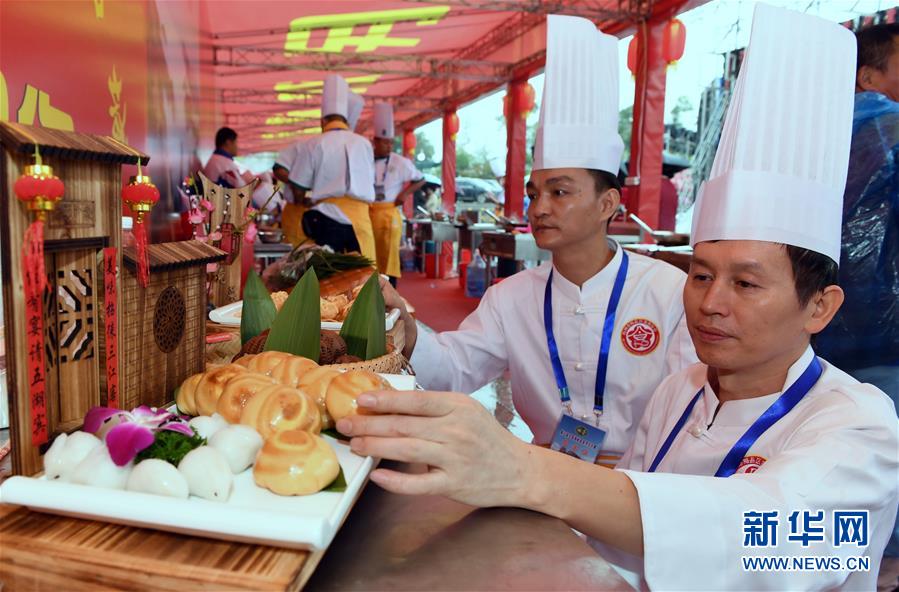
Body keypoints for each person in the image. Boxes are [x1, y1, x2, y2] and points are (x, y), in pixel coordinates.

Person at [346, 7, 899, 591]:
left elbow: (770, 546)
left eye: (747, 283)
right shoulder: (679, 393)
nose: (711, 303)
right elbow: (614, 535)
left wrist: (528, 470)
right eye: (702, 275)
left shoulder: (860, 425)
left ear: (821, 306)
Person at [380, 15, 696, 466]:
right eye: (534, 193)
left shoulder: (668, 293)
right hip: (544, 483)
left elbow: (689, 411)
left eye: (560, 192)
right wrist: (403, 323)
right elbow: (452, 371)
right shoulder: (509, 298)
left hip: (647, 489)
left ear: (609, 203)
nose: (540, 207)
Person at [816, 22, 899, 590]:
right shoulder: (884, 127)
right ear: (868, 77)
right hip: (883, 340)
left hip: (820, 329)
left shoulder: (813, 131)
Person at [289, 76, 376, 259]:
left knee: (328, 278)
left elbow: (297, 188)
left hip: (327, 220)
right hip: (360, 220)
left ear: (322, 121)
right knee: (363, 278)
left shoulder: (313, 144)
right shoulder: (364, 143)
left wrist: (305, 199)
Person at [274, 92, 365, 247]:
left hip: (333, 215)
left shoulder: (356, 146)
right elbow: (279, 169)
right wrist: (301, 186)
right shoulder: (310, 145)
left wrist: (302, 186)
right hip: (308, 212)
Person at [370, 102, 426, 287]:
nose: (388, 146)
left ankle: (390, 292)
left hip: (388, 213)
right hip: (368, 213)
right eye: (384, 142)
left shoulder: (400, 162)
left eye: (390, 143)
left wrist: (405, 193)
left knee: (389, 257)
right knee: (369, 256)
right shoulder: (365, 158)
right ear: (375, 141)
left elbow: (421, 179)